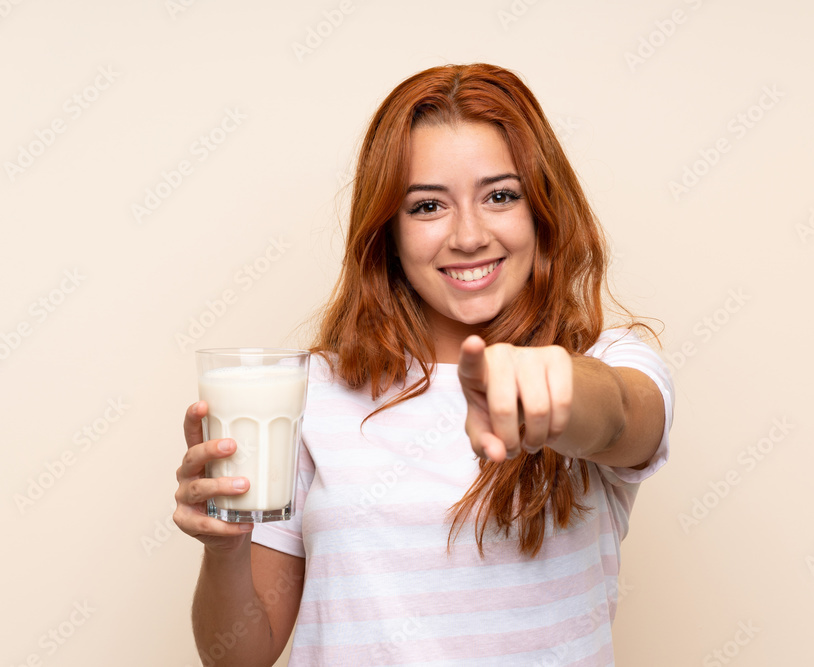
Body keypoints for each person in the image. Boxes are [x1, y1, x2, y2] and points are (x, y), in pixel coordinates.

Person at [175, 63, 674, 666]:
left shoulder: (606, 360)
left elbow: (623, 417)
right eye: (428, 205)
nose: (467, 236)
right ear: (388, 233)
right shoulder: (313, 390)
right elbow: (238, 657)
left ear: (542, 211)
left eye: (500, 196)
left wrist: (556, 385)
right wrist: (224, 548)